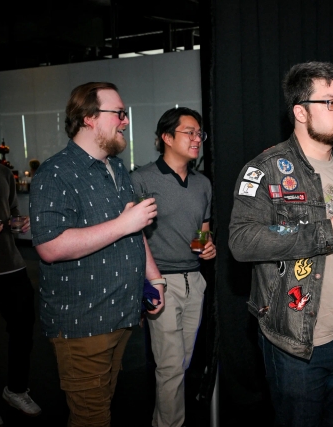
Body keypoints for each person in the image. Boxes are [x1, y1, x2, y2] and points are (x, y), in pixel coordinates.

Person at [228, 61, 333, 427]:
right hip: (296, 346)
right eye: (330, 103)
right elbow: (241, 240)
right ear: (300, 111)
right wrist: (327, 230)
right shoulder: (264, 169)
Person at [29, 81, 166, 427]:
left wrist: (154, 277)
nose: (125, 120)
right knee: (91, 417)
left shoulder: (116, 167)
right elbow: (49, 247)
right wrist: (124, 223)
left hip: (121, 314)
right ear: (89, 117)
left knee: (104, 404)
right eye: (118, 113)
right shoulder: (55, 173)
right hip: (83, 323)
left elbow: (134, 230)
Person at [130, 107, 216, 427]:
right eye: (189, 133)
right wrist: (146, 284)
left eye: (199, 134)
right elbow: (131, 235)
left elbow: (201, 231)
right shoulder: (140, 179)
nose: (197, 139)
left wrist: (206, 245)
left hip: (195, 279)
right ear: (167, 137)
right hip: (161, 281)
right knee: (169, 366)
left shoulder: (202, 183)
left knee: (181, 363)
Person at [0, 138, 41, 426]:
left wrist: (16, 222)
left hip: (11, 265)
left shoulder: (0, 171)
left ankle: (17, 390)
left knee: (23, 331)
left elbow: (10, 213)